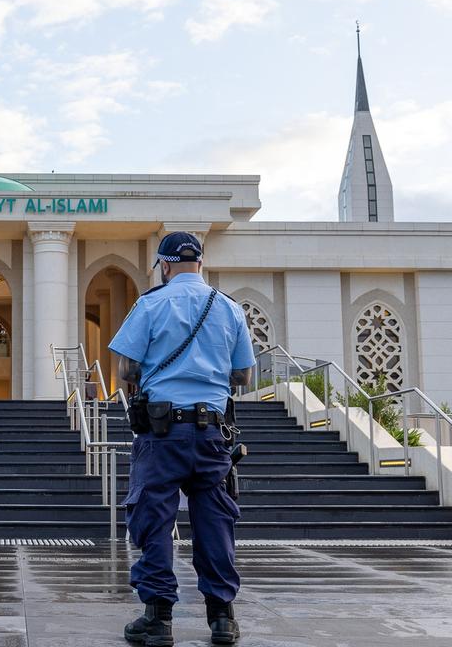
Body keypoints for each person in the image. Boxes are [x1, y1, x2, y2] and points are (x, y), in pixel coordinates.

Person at [109, 232, 255, 646]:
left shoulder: (152, 303)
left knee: (154, 519)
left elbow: (126, 369)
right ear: (201, 264)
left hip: (162, 431)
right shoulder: (229, 308)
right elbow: (243, 375)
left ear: (165, 266)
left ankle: (158, 618)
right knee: (215, 521)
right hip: (213, 432)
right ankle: (222, 618)